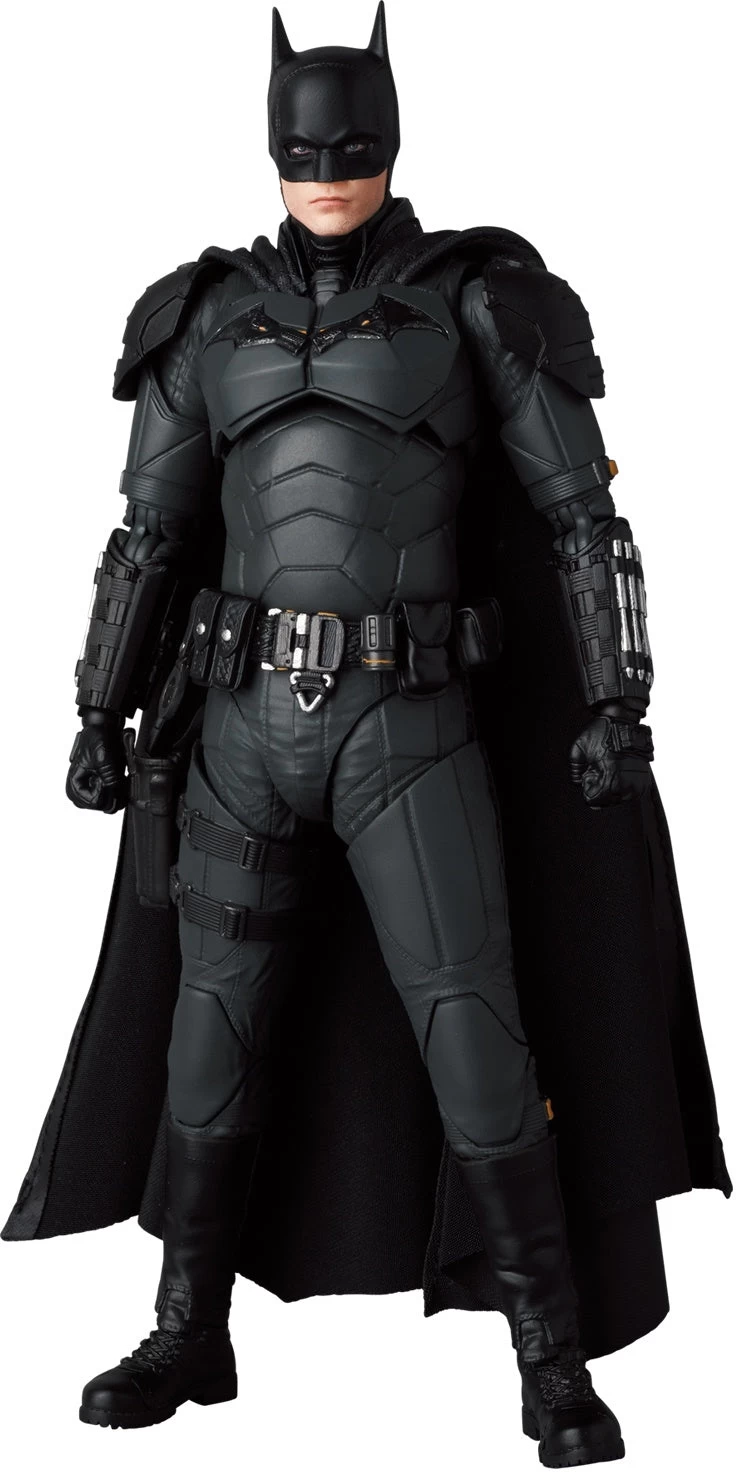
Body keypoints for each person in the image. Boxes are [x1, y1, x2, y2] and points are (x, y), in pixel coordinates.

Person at [3, 7, 730, 1466]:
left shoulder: (477, 303)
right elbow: (147, 538)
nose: (329, 171)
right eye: (305, 147)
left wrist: (616, 699)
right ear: (269, 145)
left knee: (473, 1031)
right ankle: (189, 1328)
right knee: (209, 1033)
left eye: (354, 145)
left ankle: (549, 1361)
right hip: (239, 733)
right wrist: (97, 707)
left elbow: (583, 521)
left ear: (393, 140)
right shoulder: (204, 317)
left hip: (412, 729)